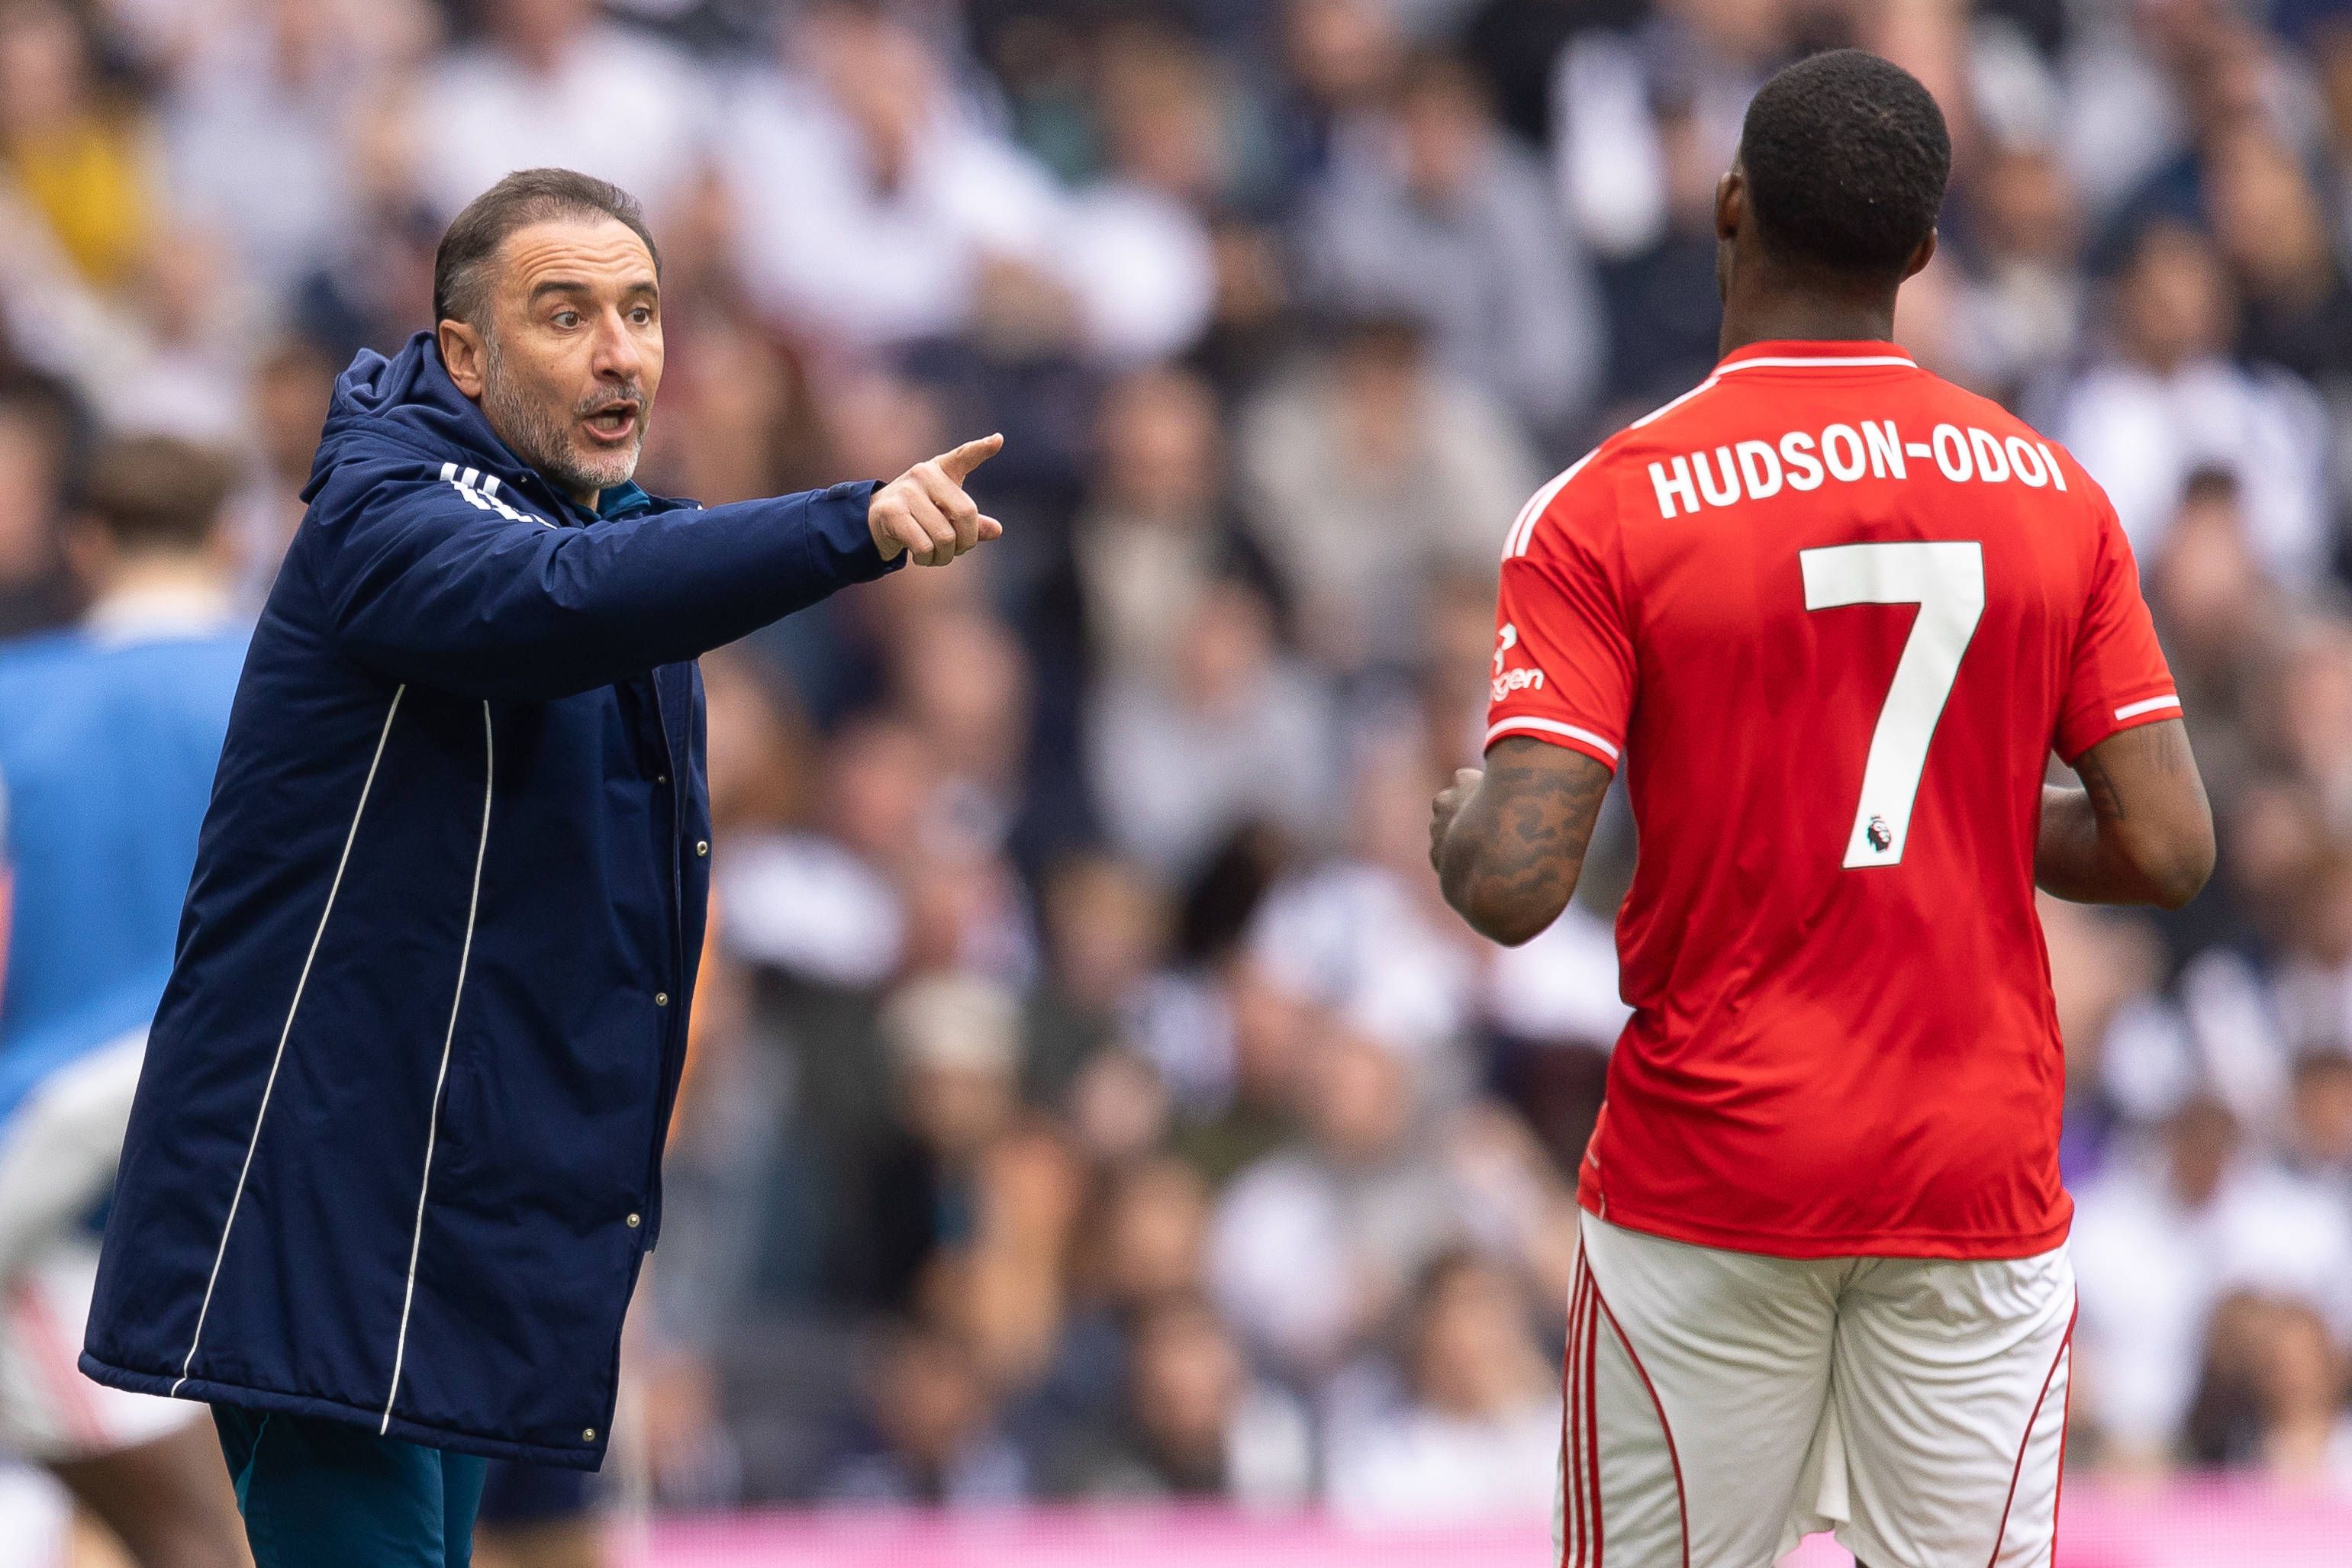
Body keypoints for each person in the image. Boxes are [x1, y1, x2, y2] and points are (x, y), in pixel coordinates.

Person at [78, 168, 1004, 1568]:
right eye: (564, 315)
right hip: (321, 1207)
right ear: (465, 353)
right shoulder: (384, 508)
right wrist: (848, 523)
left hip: (455, 1212)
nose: (619, 349)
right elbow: (551, 603)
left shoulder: (604, 534)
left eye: (640, 311)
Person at [1426, 50, 2216, 1568]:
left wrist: (1460, 828)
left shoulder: (1606, 504)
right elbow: (2166, 845)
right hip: (1970, 1170)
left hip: (1710, 1176)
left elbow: (1521, 873)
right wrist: (1967, 814)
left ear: (1729, 208)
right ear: (1920, 250)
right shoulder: (2049, 491)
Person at [0, 435, 251, 1566]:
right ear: (232, 539)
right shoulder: (308, 696)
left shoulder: (15, 704)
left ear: (86, 544)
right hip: (249, 1197)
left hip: (56, 1198)